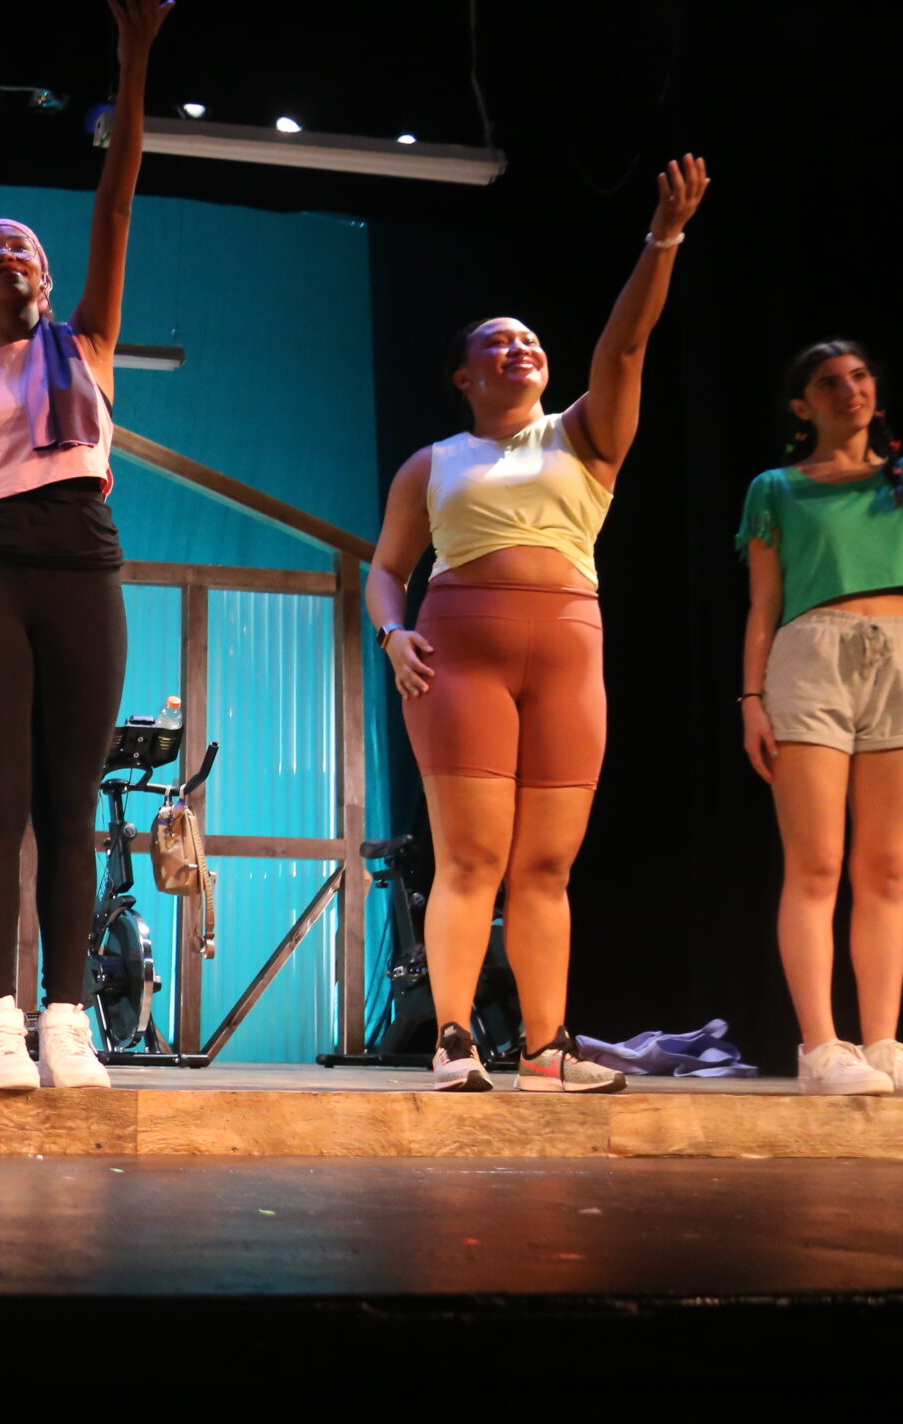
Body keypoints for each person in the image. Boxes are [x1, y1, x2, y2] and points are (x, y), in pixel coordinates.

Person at [365, 156, 708, 1093]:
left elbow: (626, 346)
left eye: (530, 341)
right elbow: (386, 571)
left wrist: (662, 238)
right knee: (472, 856)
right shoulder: (431, 463)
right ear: (463, 375)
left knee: (547, 864)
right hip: (459, 660)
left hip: (567, 654)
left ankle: (548, 1048)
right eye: (498, 342)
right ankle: (453, 1038)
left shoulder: (585, 435)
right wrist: (393, 635)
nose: (521, 348)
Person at [0, 0, 172, 1091]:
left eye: (21, 247)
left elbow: (116, 201)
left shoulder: (91, 345)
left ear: (46, 277)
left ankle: (68, 1021)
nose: (7, 257)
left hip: (79, 562)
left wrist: (129, 58)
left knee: (70, 802)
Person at [737, 341, 903, 1095]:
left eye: (860, 376)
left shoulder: (899, 482)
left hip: (898, 656)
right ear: (802, 406)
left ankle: (882, 1042)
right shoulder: (776, 487)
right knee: (816, 862)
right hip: (811, 657)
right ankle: (820, 1046)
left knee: (888, 868)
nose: (850, 390)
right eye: (829, 383)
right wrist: (750, 700)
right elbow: (763, 605)